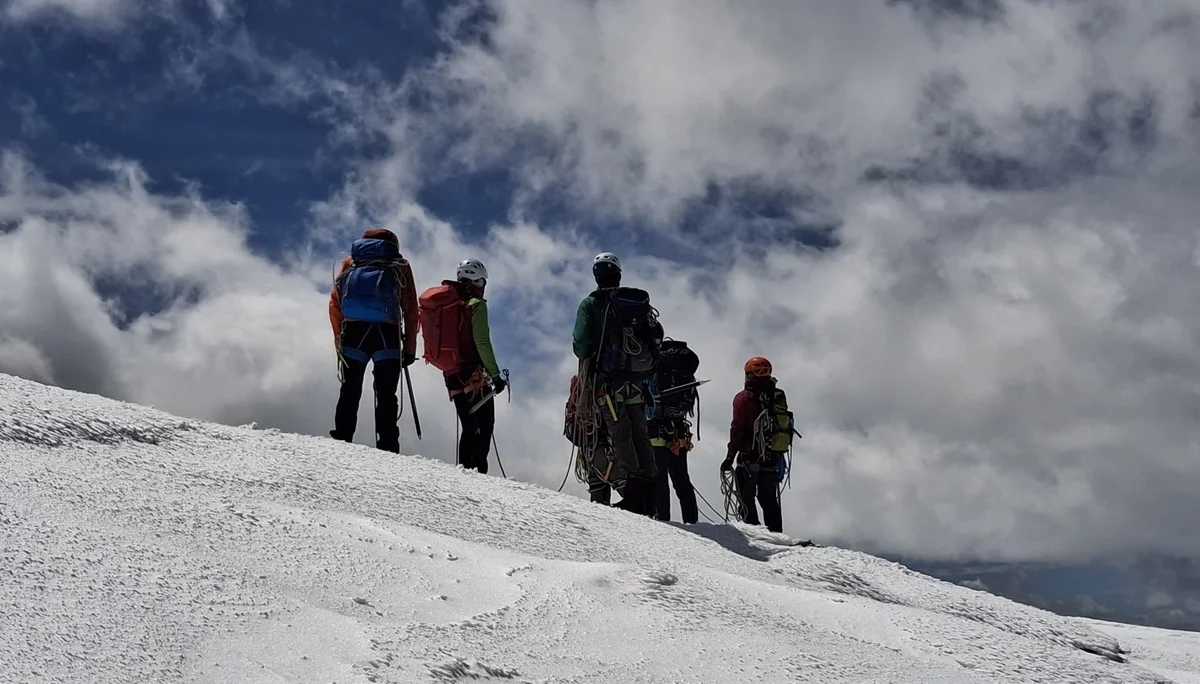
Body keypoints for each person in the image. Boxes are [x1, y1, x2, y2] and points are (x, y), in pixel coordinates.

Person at [571, 252, 661, 516]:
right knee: (640, 434)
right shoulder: (634, 303)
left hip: (607, 383)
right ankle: (650, 495)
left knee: (620, 434)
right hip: (635, 383)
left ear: (596, 276)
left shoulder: (591, 304)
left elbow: (581, 344)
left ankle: (634, 498)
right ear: (618, 275)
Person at [328, 228, 418, 453]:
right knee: (386, 393)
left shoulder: (351, 262)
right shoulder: (399, 265)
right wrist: (409, 349)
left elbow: (335, 302)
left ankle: (342, 437)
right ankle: (387, 446)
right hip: (386, 335)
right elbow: (410, 309)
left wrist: (338, 339)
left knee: (350, 389)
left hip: (353, 332)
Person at [424, 258, 507, 474]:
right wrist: (495, 375)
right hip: (473, 375)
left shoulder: (449, 305)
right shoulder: (476, 306)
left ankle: (463, 471)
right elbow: (482, 342)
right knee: (484, 424)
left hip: (451, 374)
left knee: (469, 425)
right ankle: (479, 473)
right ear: (477, 282)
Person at [721, 356, 792, 533]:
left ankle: (752, 532)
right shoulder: (777, 396)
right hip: (772, 454)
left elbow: (737, 428)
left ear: (749, 375)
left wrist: (730, 457)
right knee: (768, 498)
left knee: (746, 497)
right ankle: (776, 533)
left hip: (749, 454)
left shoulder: (743, 398)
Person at [649, 339, 700, 523]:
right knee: (682, 479)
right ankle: (692, 521)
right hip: (678, 431)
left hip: (656, 430)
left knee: (659, 479)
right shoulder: (686, 370)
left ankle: (663, 520)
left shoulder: (658, 365)